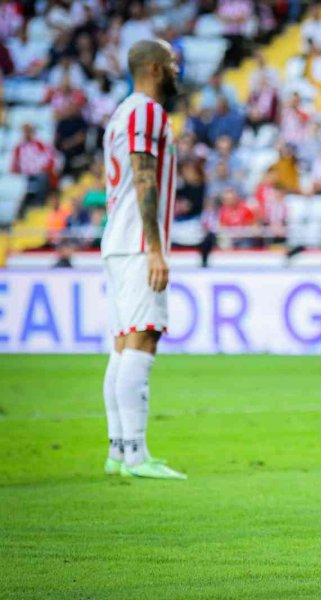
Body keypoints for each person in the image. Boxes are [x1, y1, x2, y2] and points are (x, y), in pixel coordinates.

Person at [99, 39, 187, 480]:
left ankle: (119, 451)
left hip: (119, 241)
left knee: (122, 345)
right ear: (153, 68)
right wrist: (154, 248)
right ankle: (136, 456)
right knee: (142, 340)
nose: (177, 69)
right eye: (171, 62)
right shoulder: (147, 112)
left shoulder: (122, 113)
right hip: (137, 244)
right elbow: (143, 176)